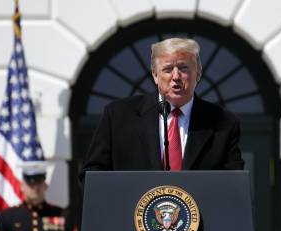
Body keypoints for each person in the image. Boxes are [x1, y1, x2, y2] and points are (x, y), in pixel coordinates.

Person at [79, 37, 244, 182]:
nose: (176, 76)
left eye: (183, 68)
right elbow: (91, 176)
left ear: (198, 73)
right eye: (167, 69)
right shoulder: (118, 116)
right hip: (130, 216)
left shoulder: (224, 123)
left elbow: (233, 184)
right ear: (155, 75)